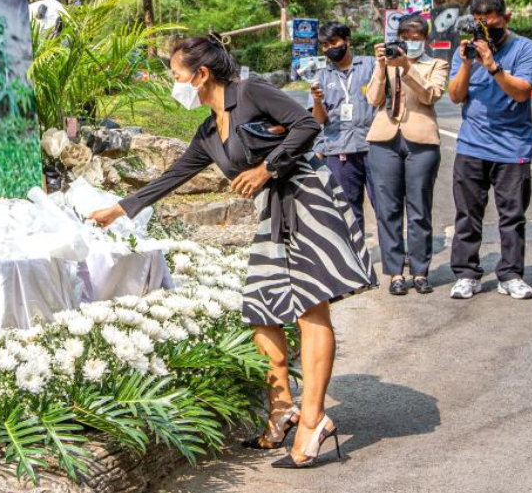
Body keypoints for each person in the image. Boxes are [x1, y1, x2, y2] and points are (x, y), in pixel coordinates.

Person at [89, 35, 375, 469]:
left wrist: (265, 168)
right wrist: (118, 210)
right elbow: (173, 176)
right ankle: (282, 409)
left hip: (307, 198)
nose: (174, 83)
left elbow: (307, 125)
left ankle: (314, 419)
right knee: (262, 308)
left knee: (309, 308)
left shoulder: (251, 91)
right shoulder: (208, 132)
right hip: (272, 212)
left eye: (176, 75)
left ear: (201, 74)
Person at [446, 0, 532, 300]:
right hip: (471, 146)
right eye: (479, 24)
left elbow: (521, 92)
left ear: (506, 18)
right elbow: (456, 96)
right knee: (467, 215)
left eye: (491, 24)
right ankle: (466, 274)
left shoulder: (525, 48)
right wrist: (466, 63)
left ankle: (511, 275)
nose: (486, 31)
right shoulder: (465, 52)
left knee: (512, 217)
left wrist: (492, 65)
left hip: (512, 148)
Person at [365, 14, 449, 295]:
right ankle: (395, 274)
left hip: (422, 140)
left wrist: (407, 67)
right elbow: (373, 99)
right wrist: (381, 66)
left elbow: (430, 95)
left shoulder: (436, 64)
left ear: (425, 39)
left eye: (417, 38)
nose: (412, 43)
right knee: (387, 210)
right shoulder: (386, 62)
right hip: (384, 139)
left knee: (419, 209)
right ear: (398, 38)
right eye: (406, 38)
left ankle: (421, 271)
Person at [308, 21, 377, 233]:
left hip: (374, 146)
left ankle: (392, 250)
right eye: (325, 45)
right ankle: (357, 252)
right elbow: (319, 120)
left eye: (333, 42)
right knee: (348, 210)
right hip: (339, 149)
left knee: (384, 204)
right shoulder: (320, 76)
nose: (330, 48)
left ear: (347, 41)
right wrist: (317, 101)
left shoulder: (371, 65)